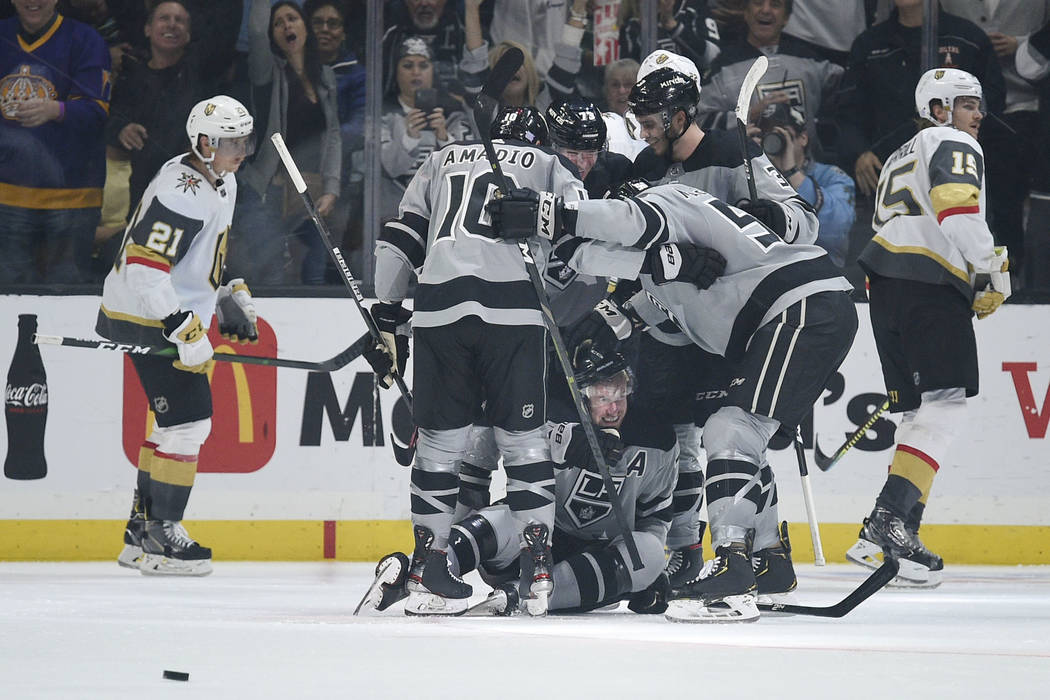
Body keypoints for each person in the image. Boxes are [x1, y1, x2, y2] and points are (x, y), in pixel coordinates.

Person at [487, 178, 857, 624]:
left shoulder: (663, 200)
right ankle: (769, 560)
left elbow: (630, 220)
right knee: (746, 437)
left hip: (796, 306)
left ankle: (734, 568)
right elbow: (647, 298)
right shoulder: (674, 260)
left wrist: (555, 214)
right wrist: (602, 316)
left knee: (730, 430)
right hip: (808, 305)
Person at [365, 103, 586, 616]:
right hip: (512, 309)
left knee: (441, 445)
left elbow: (402, 236)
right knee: (523, 442)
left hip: (439, 305)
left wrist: (387, 316)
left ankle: (429, 567)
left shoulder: (441, 159)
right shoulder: (553, 166)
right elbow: (576, 235)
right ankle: (537, 570)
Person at [846, 69, 1009, 588]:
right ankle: (886, 523)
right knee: (946, 405)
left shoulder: (899, 154)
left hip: (885, 288)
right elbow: (958, 211)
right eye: (966, 103)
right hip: (928, 284)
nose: (977, 114)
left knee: (920, 413)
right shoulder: (951, 140)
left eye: (978, 105)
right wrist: (992, 268)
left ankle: (897, 533)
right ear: (938, 109)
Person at [97, 95, 256, 576]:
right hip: (147, 317)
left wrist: (227, 291)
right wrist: (186, 330)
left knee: (174, 426)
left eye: (244, 140)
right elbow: (146, 271)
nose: (242, 151)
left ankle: (138, 536)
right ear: (204, 143)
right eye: (232, 142)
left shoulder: (219, 182)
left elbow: (195, 257)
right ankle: (162, 536)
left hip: (164, 312)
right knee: (189, 424)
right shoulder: (180, 191)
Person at [0, 0, 111, 284]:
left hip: (72, 199)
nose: (33, 1)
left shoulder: (86, 39)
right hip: (7, 196)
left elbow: (97, 111)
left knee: (65, 297)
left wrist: (56, 110)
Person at [237, 0, 341, 285]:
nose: (286, 25)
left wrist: (332, 188)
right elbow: (256, 32)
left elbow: (332, 135)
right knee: (271, 275)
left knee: (315, 271)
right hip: (268, 193)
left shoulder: (325, 77)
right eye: (278, 22)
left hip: (311, 193)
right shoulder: (268, 71)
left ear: (306, 27)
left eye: (292, 18)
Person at [106, 0, 221, 218]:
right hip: (142, 190)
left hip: (193, 189)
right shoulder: (131, 78)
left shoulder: (202, 73)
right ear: (147, 30)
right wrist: (122, 129)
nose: (171, 25)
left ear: (188, 35)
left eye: (179, 21)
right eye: (164, 18)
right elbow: (111, 121)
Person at [695, 0, 844, 158]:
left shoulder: (813, 62)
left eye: (775, 4)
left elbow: (848, 102)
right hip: (748, 175)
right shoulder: (722, 67)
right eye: (758, 3)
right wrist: (748, 114)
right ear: (746, 12)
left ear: (786, 17)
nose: (766, 10)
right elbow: (699, 120)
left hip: (807, 174)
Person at [380, 36, 470, 220]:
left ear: (433, 70)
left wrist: (445, 139)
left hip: (444, 215)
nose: (415, 72)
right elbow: (389, 169)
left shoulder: (454, 114)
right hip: (393, 216)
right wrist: (408, 139)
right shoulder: (382, 115)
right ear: (395, 71)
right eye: (407, 65)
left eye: (423, 65)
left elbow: (468, 171)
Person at [756, 102, 855, 266]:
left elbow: (836, 232)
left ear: (803, 138)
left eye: (781, 134)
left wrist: (791, 173)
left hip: (821, 274)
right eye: (765, 135)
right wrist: (743, 156)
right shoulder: (751, 177)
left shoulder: (833, 177)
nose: (771, 142)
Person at [545, 97, 633, 199]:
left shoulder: (617, 171)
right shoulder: (532, 173)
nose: (582, 163)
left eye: (590, 153)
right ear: (551, 148)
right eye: (573, 153)